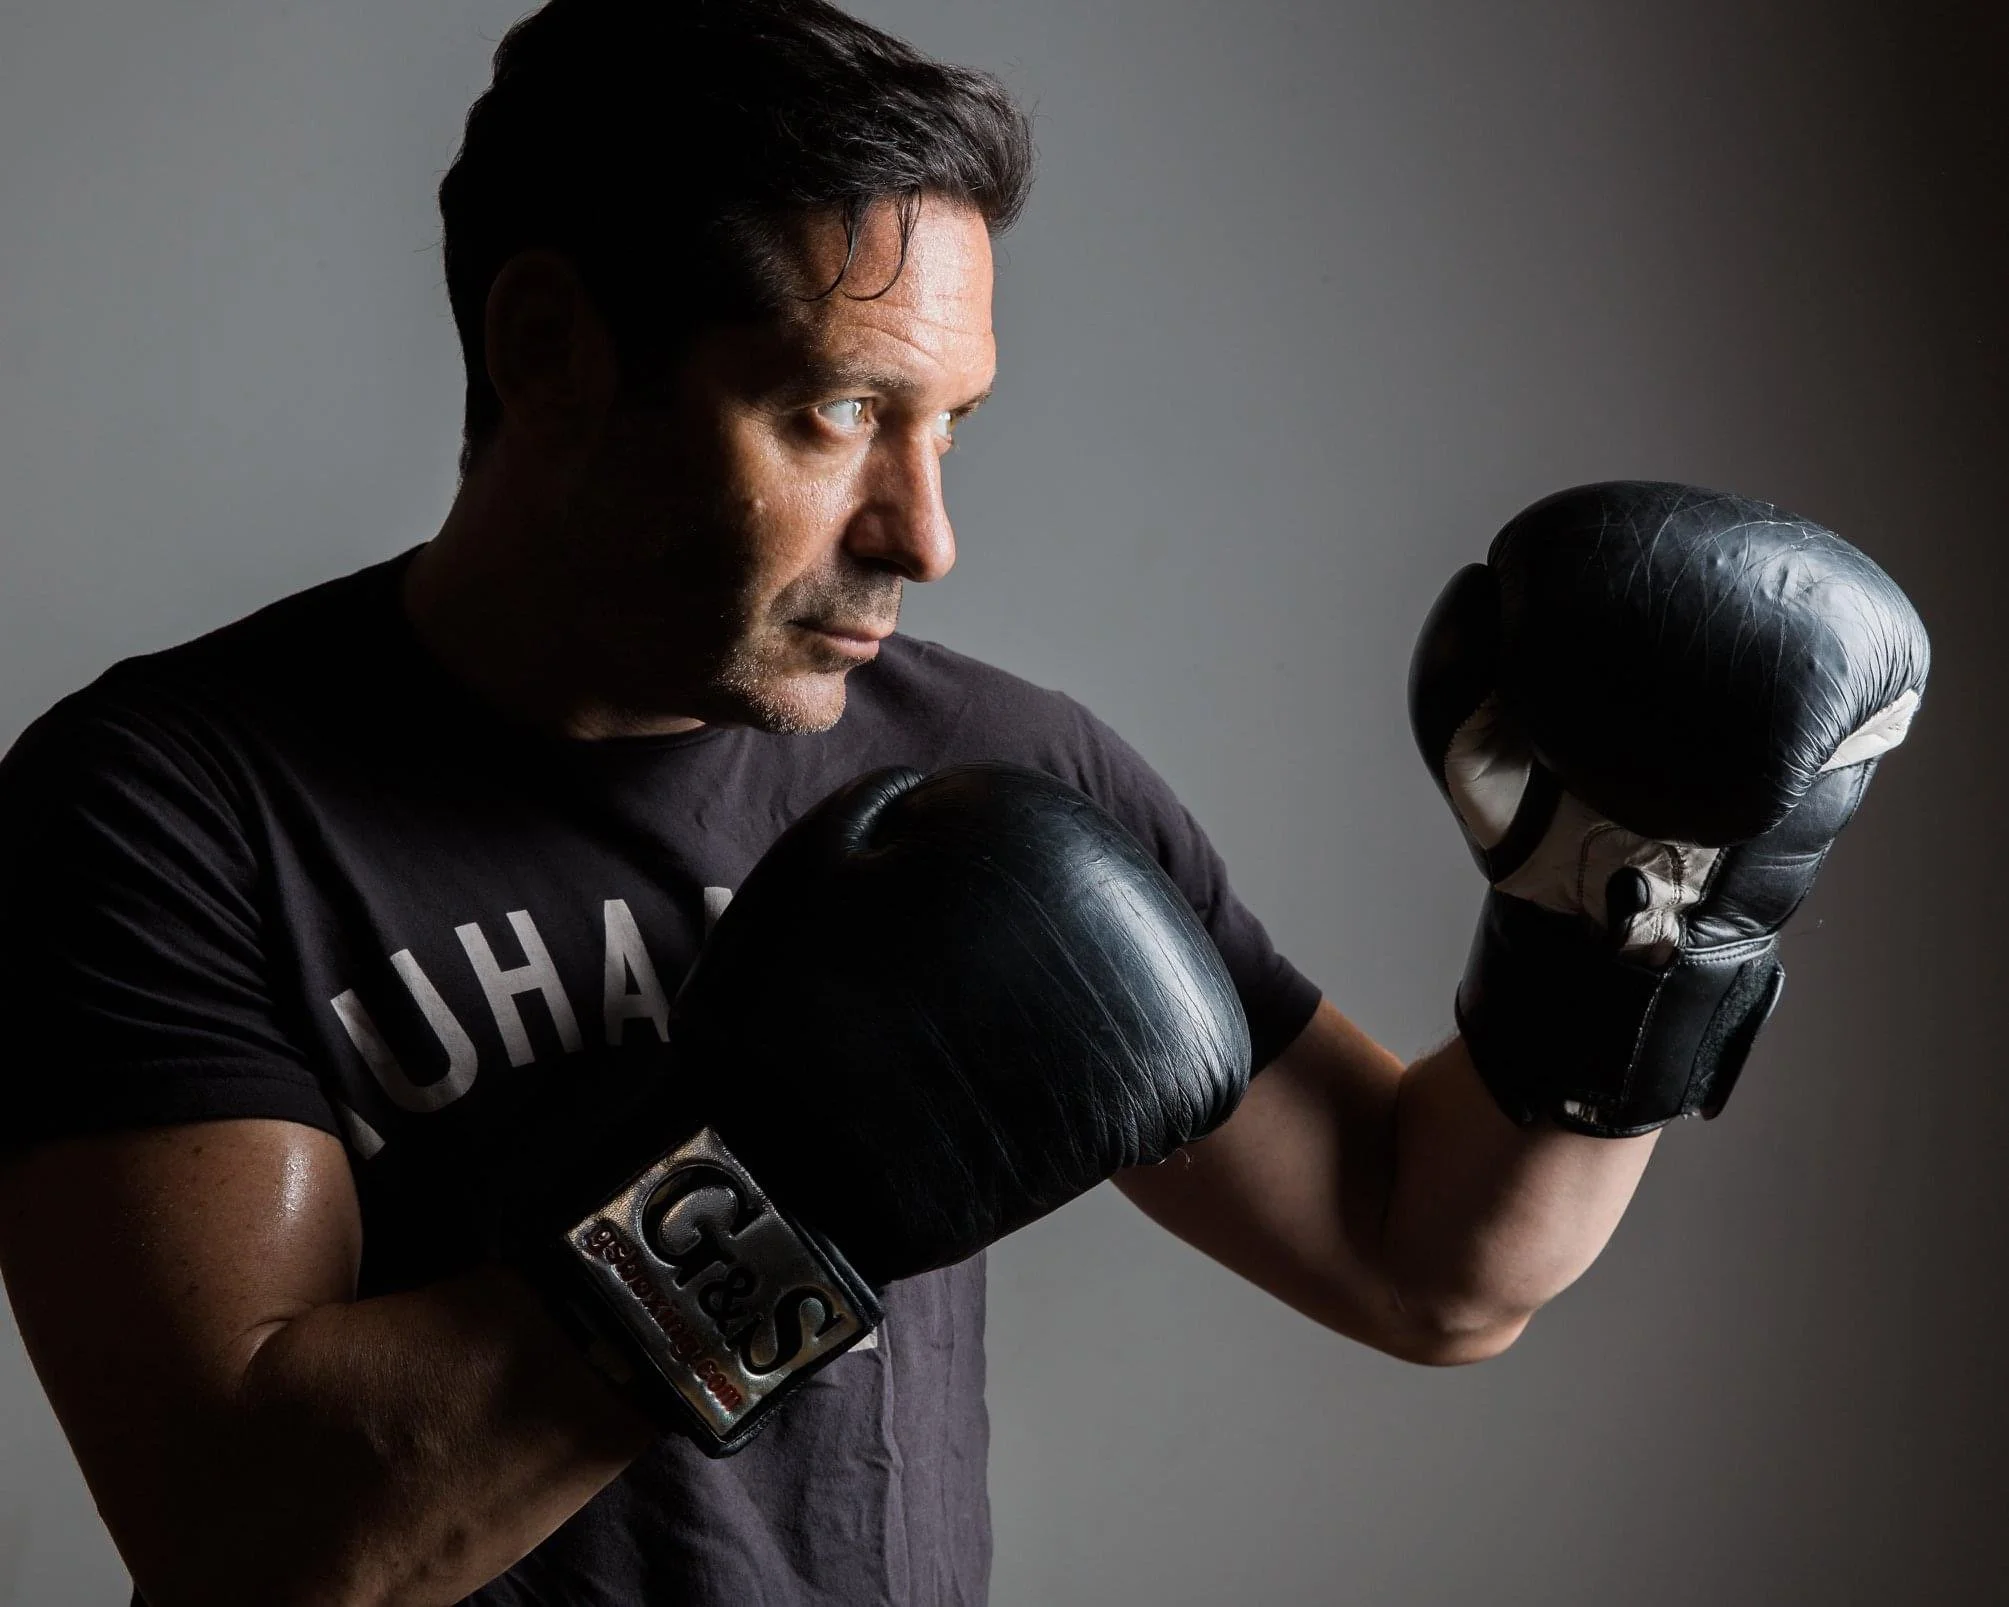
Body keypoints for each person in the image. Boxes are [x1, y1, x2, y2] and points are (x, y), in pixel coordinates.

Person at [0, 3, 1927, 1605]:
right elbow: (243, 1542)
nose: (923, 534)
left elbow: (1428, 1266)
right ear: (549, 351)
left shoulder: (998, 768)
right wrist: (783, 1198)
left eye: (952, 427)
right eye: (838, 410)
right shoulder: (169, 811)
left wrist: (1638, 914)